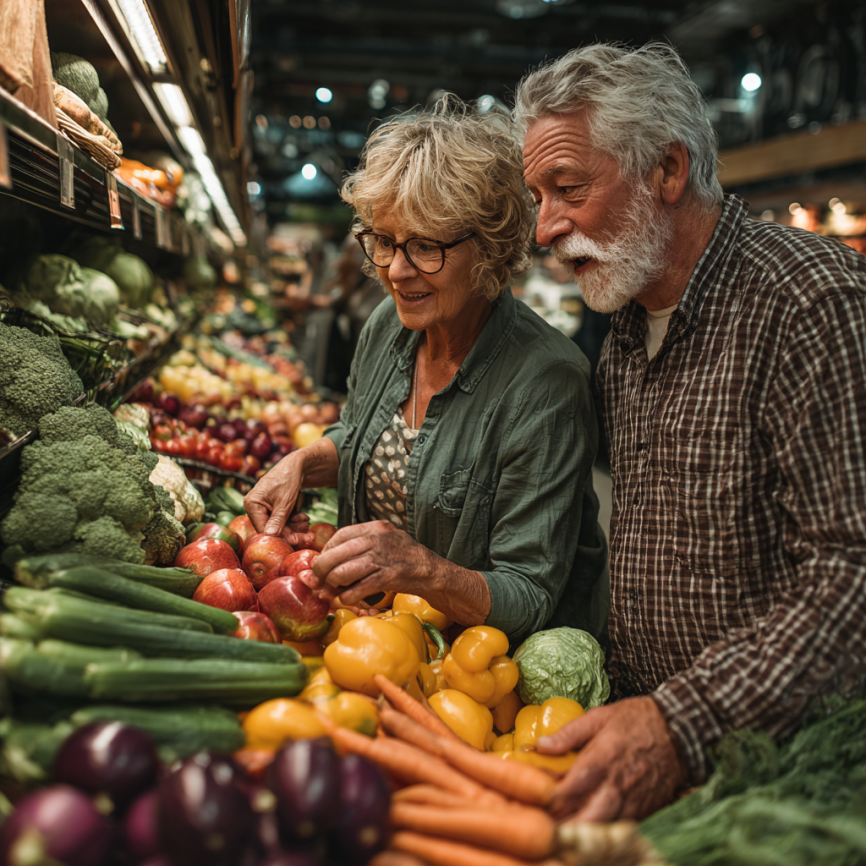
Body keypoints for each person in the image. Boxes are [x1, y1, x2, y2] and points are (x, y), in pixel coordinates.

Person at [515, 43, 866, 821]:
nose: (544, 229)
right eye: (538, 196)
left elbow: (852, 574)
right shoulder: (625, 325)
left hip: (784, 781)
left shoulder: (809, 302)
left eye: (567, 188)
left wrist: (685, 722)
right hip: (647, 752)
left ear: (667, 172)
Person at [244, 96, 608, 640]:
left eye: (424, 246)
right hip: (377, 637)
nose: (395, 269)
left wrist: (422, 570)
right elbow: (368, 437)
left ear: (487, 246)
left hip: (484, 675)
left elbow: (530, 593)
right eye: (385, 241)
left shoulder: (545, 383)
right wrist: (306, 461)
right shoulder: (387, 329)